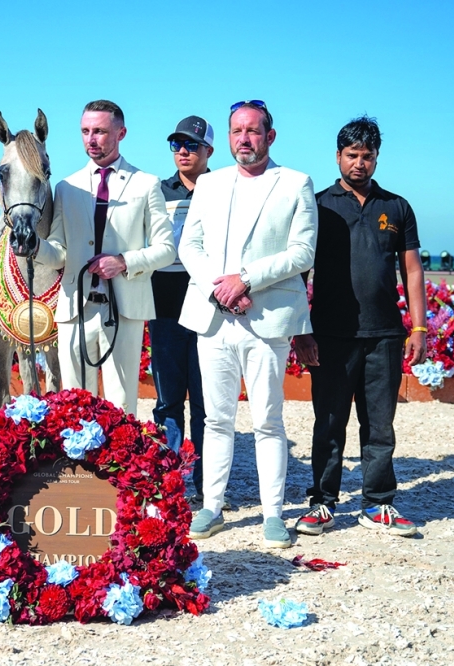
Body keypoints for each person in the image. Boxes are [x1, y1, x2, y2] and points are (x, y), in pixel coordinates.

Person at [179, 100, 317, 549]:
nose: (244, 139)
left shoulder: (295, 182)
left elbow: (303, 252)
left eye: (253, 131)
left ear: (269, 136)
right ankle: (211, 507)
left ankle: (273, 514)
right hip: (214, 316)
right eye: (237, 131)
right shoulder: (210, 183)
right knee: (215, 419)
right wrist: (220, 288)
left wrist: (246, 281)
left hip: (267, 318)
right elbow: (190, 245)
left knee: (268, 421)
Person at [293, 116, 426, 538]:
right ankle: (322, 503)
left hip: (384, 334)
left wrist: (419, 329)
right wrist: (300, 329)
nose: (360, 163)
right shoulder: (317, 205)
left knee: (380, 424)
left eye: (367, 156)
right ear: (338, 156)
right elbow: (300, 271)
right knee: (329, 421)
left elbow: (412, 270)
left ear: (376, 158)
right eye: (352, 155)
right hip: (330, 333)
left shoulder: (397, 207)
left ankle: (378, 503)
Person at [34, 100, 175, 416]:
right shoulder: (66, 187)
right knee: (73, 405)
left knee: (121, 407)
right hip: (74, 308)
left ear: (121, 133)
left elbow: (167, 249)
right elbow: (58, 252)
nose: (91, 139)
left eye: (99, 131)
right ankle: (77, 467)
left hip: (124, 309)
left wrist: (124, 261)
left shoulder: (146, 184)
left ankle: (117, 466)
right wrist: (33, 246)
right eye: (85, 131)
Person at [151, 116, 213, 500]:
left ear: (209, 150)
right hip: (165, 302)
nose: (184, 152)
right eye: (177, 144)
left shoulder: (225, 189)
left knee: (208, 403)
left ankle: (209, 486)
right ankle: (169, 485)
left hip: (208, 303)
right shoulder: (157, 191)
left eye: (191, 145)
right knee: (168, 399)